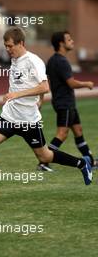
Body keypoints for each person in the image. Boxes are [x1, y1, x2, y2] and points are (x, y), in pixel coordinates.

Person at [0, 27, 92, 201]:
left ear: (21, 43)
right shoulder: (14, 59)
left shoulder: (33, 61)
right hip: (9, 116)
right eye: (5, 46)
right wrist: (39, 100)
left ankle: (81, 163)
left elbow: (44, 86)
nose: (7, 49)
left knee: (44, 156)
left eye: (10, 46)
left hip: (28, 121)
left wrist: (18, 95)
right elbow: (34, 84)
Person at [37, 31, 97, 172]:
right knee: (62, 133)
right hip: (64, 103)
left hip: (66, 102)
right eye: (69, 39)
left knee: (78, 131)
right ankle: (43, 161)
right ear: (61, 43)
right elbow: (71, 83)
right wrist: (86, 83)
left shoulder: (52, 60)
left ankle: (91, 160)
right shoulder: (61, 61)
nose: (72, 41)